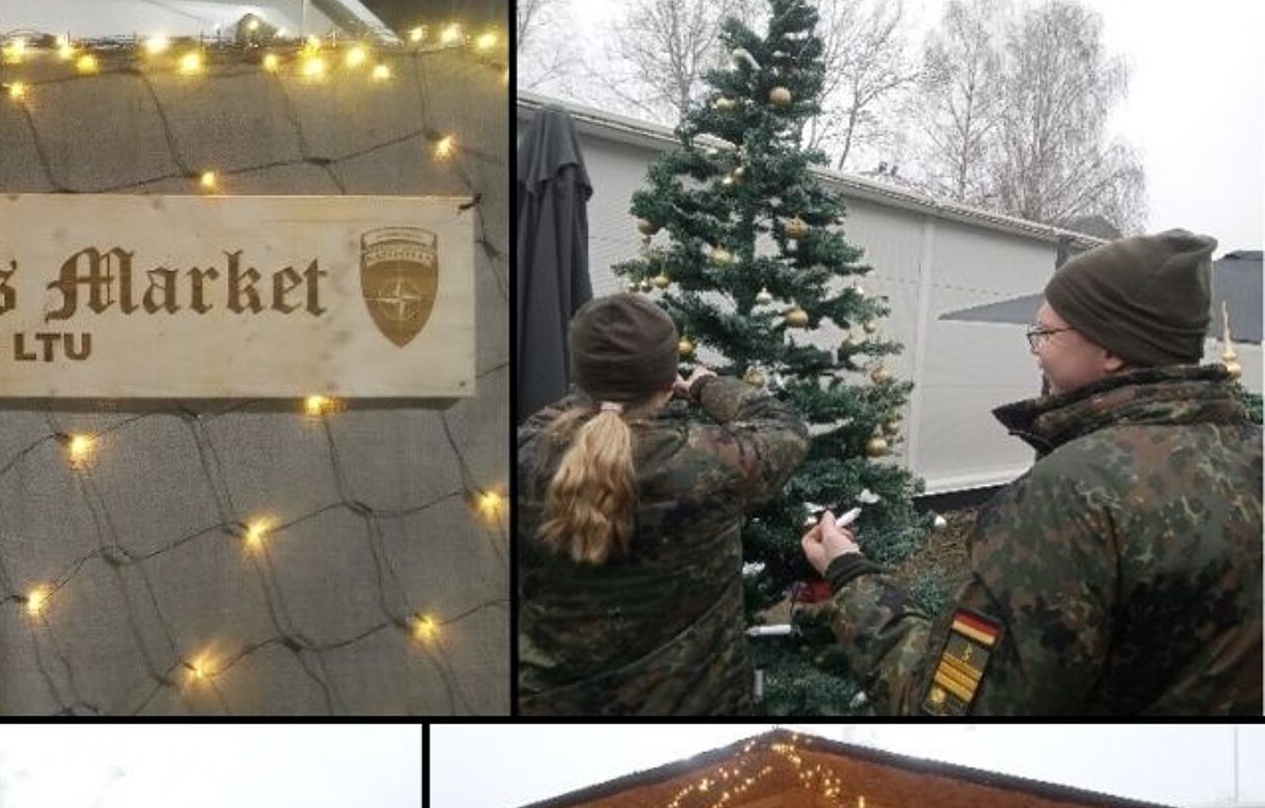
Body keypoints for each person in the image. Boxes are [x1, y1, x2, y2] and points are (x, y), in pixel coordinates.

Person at [802, 228, 1263, 714]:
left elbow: (949, 709)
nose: (1036, 350)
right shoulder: (1250, 450)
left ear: (1111, 349)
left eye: (1044, 333)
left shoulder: (1067, 496)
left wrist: (849, 574)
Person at [518, 291, 810, 715]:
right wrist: (706, 386)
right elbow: (787, 428)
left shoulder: (526, 455)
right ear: (666, 381)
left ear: (580, 374)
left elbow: (556, 420)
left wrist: (601, 394)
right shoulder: (710, 462)